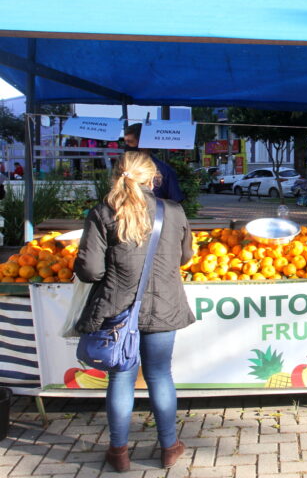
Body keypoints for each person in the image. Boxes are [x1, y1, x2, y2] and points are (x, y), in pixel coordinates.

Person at [74, 152, 194, 472]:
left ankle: (119, 453)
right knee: (159, 375)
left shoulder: (102, 213)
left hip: (116, 310)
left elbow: (89, 271)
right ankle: (169, 447)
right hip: (164, 307)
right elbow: (185, 257)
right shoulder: (173, 211)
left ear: (118, 176)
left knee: (121, 377)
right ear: (153, 178)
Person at [123, 123, 185, 203]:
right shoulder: (122, 167)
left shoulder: (164, 170)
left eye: (130, 141)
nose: (126, 145)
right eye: (126, 142)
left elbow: (175, 202)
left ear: (143, 143)